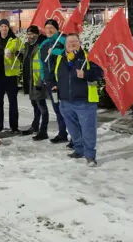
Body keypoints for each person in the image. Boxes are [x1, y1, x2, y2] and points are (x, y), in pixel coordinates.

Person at [49, 33, 103, 167]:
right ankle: (79, 150)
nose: (71, 44)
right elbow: (54, 76)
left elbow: (100, 73)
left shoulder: (88, 57)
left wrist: (85, 74)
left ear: (79, 43)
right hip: (66, 102)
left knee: (88, 130)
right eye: (69, 43)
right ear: (65, 45)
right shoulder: (60, 58)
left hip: (85, 101)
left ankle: (90, 156)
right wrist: (53, 84)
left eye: (74, 42)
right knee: (73, 130)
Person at [38, 19, 69, 145]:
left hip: (64, 80)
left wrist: (55, 51)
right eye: (47, 28)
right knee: (57, 108)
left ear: (57, 29)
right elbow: (41, 63)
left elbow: (71, 52)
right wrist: (44, 77)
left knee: (68, 108)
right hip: (51, 82)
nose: (49, 30)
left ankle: (76, 137)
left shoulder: (63, 39)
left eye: (52, 28)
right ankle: (62, 133)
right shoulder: (43, 44)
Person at [18, 25, 49, 140]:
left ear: (37, 34)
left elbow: (44, 65)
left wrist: (41, 81)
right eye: (28, 34)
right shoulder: (27, 46)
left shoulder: (41, 46)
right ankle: (35, 126)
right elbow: (29, 61)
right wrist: (20, 56)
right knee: (35, 105)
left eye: (32, 34)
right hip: (29, 81)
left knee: (42, 107)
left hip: (37, 81)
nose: (30, 36)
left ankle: (43, 131)